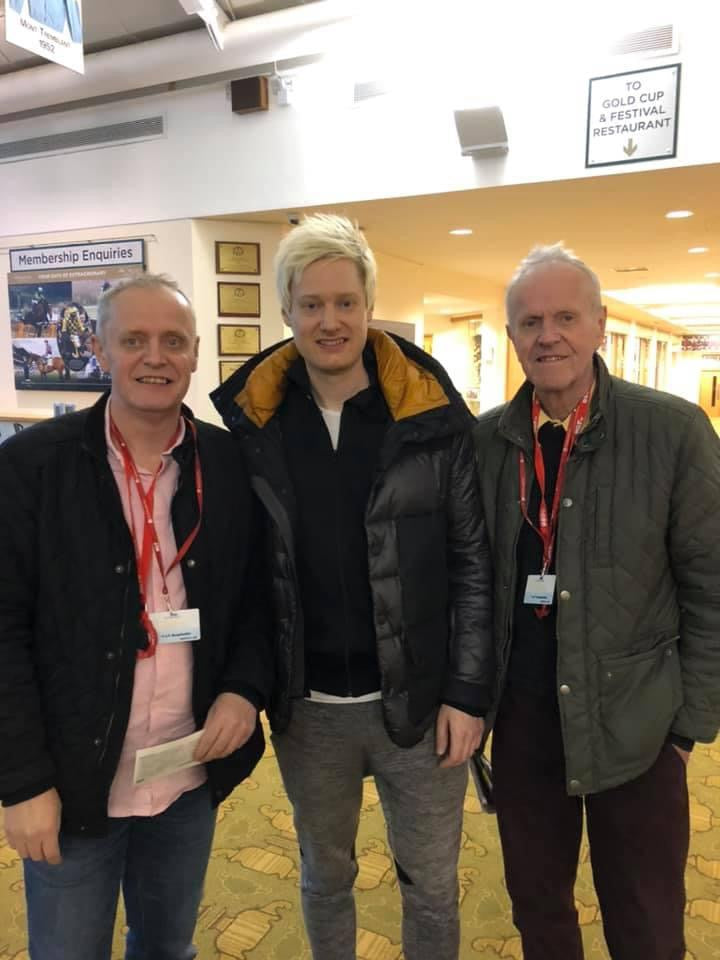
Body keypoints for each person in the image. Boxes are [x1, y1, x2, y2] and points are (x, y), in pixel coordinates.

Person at [212, 214, 494, 960]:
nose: (329, 321)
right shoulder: (254, 424)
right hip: (308, 710)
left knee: (431, 883)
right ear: (286, 313)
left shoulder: (430, 417)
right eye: (311, 304)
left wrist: (467, 694)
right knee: (323, 873)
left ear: (369, 306)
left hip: (421, 703)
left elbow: (472, 565)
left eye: (344, 302)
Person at [0, 274, 270, 960]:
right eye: (135, 340)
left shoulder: (229, 465)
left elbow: (257, 599)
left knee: (167, 948)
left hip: (184, 774)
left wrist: (244, 688)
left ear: (196, 352)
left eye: (173, 341)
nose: (156, 357)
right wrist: (22, 782)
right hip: (74, 780)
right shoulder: (32, 467)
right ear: (98, 348)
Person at [474, 243, 720, 960]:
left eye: (564, 317)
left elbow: (711, 585)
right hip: (524, 725)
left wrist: (687, 729)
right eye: (529, 321)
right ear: (512, 333)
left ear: (601, 325)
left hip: (638, 725)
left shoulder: (672, 432)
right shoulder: (487, 441)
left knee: (644, 921)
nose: (547, 335)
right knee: (539, 910)